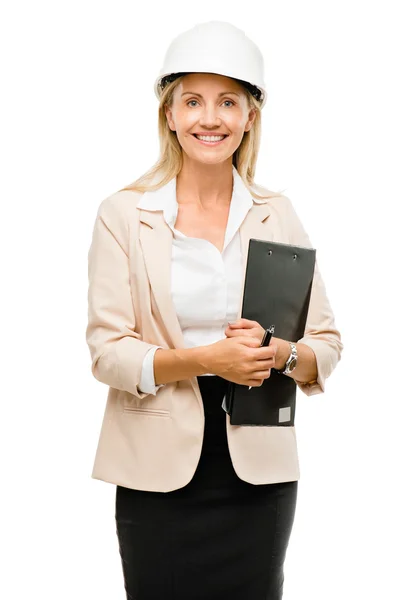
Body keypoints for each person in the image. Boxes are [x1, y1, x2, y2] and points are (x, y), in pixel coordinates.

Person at [86, 20, 344, 600]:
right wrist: (210, 359)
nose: (210, 118)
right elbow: (108, 353)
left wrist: (280, 353)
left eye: (228, 101)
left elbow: (324, 343)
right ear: (169, 114)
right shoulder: (125, 214)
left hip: (258, 469)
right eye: (193, 101)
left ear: (250, 117)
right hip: (157, 466)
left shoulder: (277, 212)